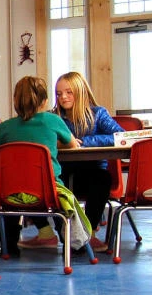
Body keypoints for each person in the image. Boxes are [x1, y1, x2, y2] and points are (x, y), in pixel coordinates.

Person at [20, 71, 123, 252]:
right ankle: (46, 232)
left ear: (80, 91)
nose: (63, 97)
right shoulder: (53, 117)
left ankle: (88, 233)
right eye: (59, 94)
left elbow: (121, 136)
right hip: (62, 174)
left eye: (68, 92)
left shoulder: (98, 114)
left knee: (103, 178)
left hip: (91, 174)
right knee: (32, 179)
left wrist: (83, 143)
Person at [0, 76, 77, 256]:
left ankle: (7, 247)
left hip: (10, 193)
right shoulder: (53, 121)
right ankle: (73, 245)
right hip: (49, 191)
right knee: (64, 201)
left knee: (4, 204)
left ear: (15, 101)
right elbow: (73, 145)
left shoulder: (5, 127)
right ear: (45, 101)